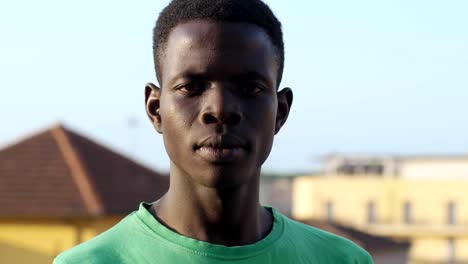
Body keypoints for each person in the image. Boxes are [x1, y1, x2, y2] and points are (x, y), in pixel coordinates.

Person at [54, 0, 373, 263]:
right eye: (190, 87)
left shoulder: (342, 260)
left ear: (281, 111)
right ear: (155, 109)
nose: (219, 109)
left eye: (250, 87)